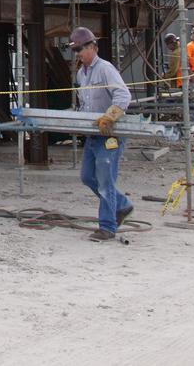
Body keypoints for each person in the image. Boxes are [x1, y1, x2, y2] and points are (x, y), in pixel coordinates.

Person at [70, 26, 134, 242]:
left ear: (93, 47)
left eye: (80, 49)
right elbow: (84, 104)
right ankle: (122, 205)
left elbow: (123, 95)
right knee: (88, 177)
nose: (78, 53)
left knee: (106, 182)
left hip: (110, 135)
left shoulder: (105, 69)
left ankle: (107, 227)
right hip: (93, 134)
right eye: (75, 50)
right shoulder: (81, 74)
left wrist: (110, 116)